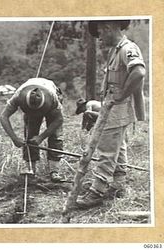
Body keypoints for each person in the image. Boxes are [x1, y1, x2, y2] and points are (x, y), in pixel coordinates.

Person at [76, 20, 146, 208]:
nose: (99, 38)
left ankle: (98, 190)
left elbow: (139, 72)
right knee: (118, 146)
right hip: (113, 107)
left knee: (106, 150)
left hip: (118, 109)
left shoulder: (127, 48)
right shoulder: (115, 51)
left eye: (100, 33)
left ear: (108, 28)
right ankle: (118, 182)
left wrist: (122, 94)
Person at [0, 77, 64, 182]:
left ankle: (54, 171)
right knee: (30, 136)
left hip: (51, 101)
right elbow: (3, 117)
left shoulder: (52, 98)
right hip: (30, 101)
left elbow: (59, 119)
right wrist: (14, 139)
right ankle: (31, 168)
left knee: (55, 136)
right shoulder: (18, 96)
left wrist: (41, 137)